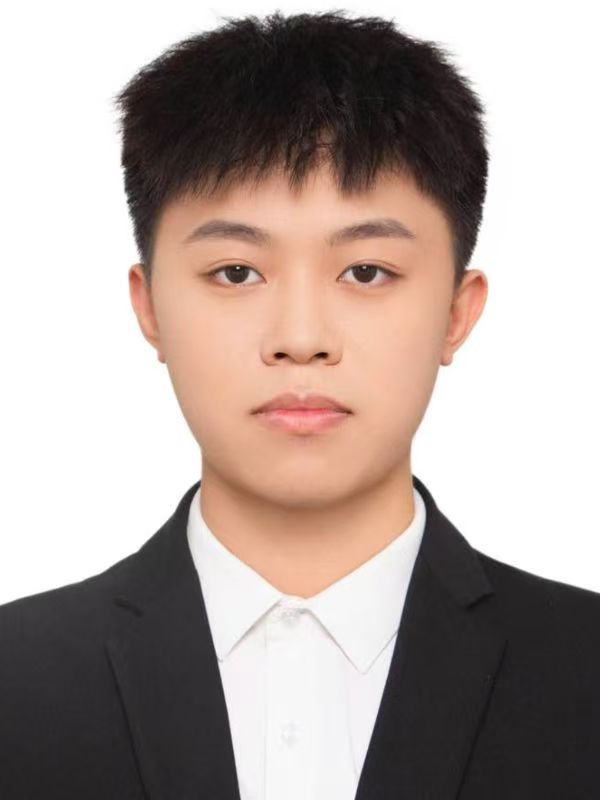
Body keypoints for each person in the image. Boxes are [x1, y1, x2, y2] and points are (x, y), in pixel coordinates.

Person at [1, 10, 598, 799]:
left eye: (366, 272)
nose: (301, 339)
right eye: (236, 273)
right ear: (149, 309)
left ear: (458, 312)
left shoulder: (584, 669)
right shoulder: (17, 679)